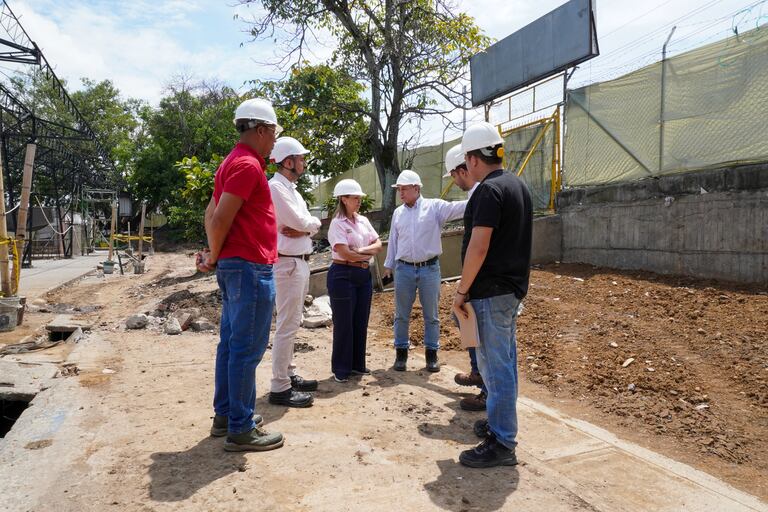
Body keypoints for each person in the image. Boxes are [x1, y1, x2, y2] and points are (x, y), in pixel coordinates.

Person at [197, 98, 284, 452]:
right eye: (273, 133)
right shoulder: (248, 165)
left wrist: (214, 255)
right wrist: (215, 256)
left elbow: (210, 214)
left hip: (237, 266)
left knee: (231, 345)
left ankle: (226, 415)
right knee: (246, 350)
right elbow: (219, 219)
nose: (275, 141)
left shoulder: (230, 163)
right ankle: (241, 427)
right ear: (261, 130)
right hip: (250, 267)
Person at [452, 121, 533, 468]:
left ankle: (502, 441)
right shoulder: (517, 185)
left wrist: (461, 290)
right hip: (509, 291)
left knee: (494, 367)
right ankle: (500, 425)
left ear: (472, 159)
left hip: (490, 292)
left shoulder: (487, 191)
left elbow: (479, 247)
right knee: (504, 363)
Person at [383, 169, 466, 373]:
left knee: (431, 315)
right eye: (399, 189)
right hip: (404, 269)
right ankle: (401, 354)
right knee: (401, 315)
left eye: (404, 189)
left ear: (416, 188)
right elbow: (393, 240)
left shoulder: (434, 207)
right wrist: (388, 265)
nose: (400, 193)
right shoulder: (398, 213)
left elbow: (459, 208)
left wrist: (479, 191)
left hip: (429, 269)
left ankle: (431, 355)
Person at [267, 136, 321, 408]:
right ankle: (279, 387)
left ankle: (288, 374)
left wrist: (307, 228)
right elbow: (301, 221)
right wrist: (307, 226)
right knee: (287, 325)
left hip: (298, 261)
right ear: (288, 162)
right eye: (301, 158)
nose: (304, 163)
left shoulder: (292, 190)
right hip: (287, 263)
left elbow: (309, 224)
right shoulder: (276, 188)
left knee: (292, 323)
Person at [443, 144, 486, 412]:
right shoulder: (477, 194)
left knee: (484, 338)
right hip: (479, 281)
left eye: (453, 175)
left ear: (462, 170)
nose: (454, 181)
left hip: (483, 283)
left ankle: (486, 388)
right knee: (466, 323)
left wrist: (464, 288)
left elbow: (479, 246)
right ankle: (478, 372)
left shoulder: (481, 194)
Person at [326, 179, 382, 382]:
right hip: (343, 274)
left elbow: (378, 244)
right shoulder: (337, 224)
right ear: (343, 199)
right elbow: (345, 253)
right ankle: (341, 369)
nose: (359, 201)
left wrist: (361, 250)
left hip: (363, 275)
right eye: (355, 198)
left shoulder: (363, 220)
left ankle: (357, 364)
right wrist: (365, 254)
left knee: (360, 320)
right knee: (344, 323)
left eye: (359, 198)